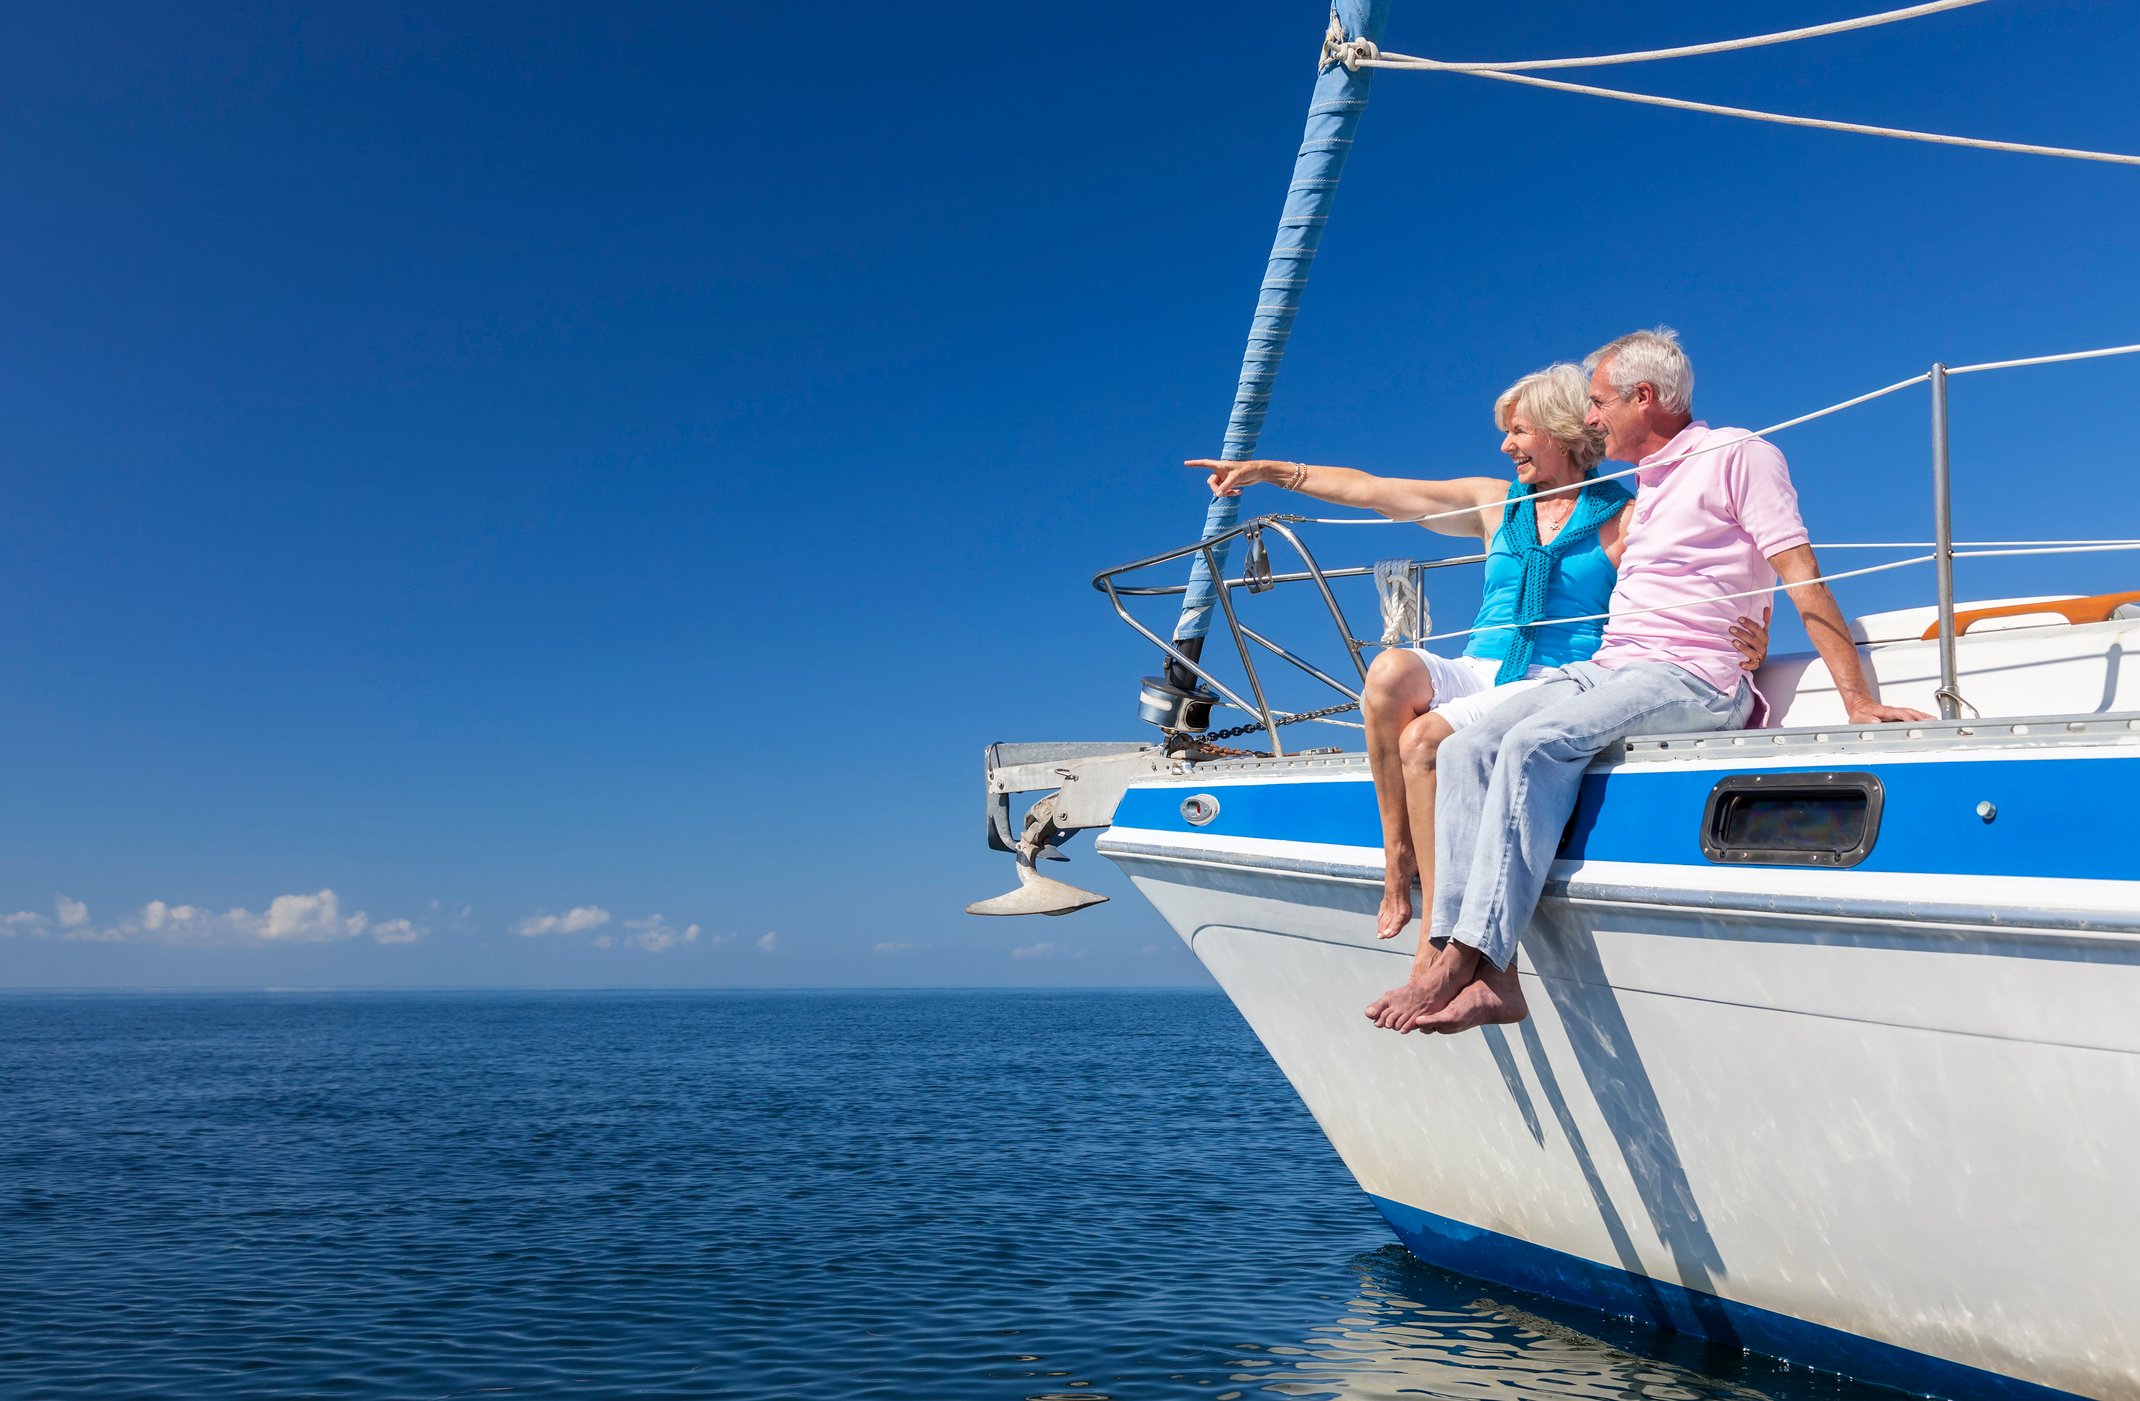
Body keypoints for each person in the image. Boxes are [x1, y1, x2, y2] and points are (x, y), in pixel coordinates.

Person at [1189, 363, 1768, 1030]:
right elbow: (1376, 492)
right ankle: (1398, 857)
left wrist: (1752, 631)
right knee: (1389, 673)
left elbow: (1708, 568)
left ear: (1559, 430)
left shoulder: (1626, 515)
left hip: (1553, 679)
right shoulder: (1496, 503)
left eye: (1518, 430)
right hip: (1479, 666)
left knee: (1425, 740)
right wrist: (1270, 472)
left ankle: (1438, 939)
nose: (1505, 444)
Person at [1399, 328, 1932, 1036]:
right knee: (1466, 747)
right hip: (1610, 667)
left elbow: (1797, 570)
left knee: (1533, 744)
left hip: (1692, 675)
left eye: (1598, 402)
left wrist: (1857, 699)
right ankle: (1469, 959)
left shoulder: (1736, 454)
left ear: (1643, 398)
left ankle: (1472, 961)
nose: (1590, 418)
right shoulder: (1646, 487)